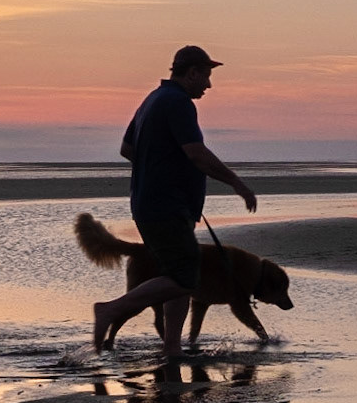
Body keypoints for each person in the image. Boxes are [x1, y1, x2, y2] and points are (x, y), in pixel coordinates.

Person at [93, 45, 258, 357]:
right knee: (186, 279)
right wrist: (237, 183)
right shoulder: (178, 102)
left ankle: (172, 347)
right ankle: (111, 309)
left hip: (152, 204)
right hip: (166, 207)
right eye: (206, 76)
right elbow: (197, 153)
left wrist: (161, 167)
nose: (209, 84)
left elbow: (127, 149)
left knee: (175, 275)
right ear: (192, 73)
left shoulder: (153, 99)